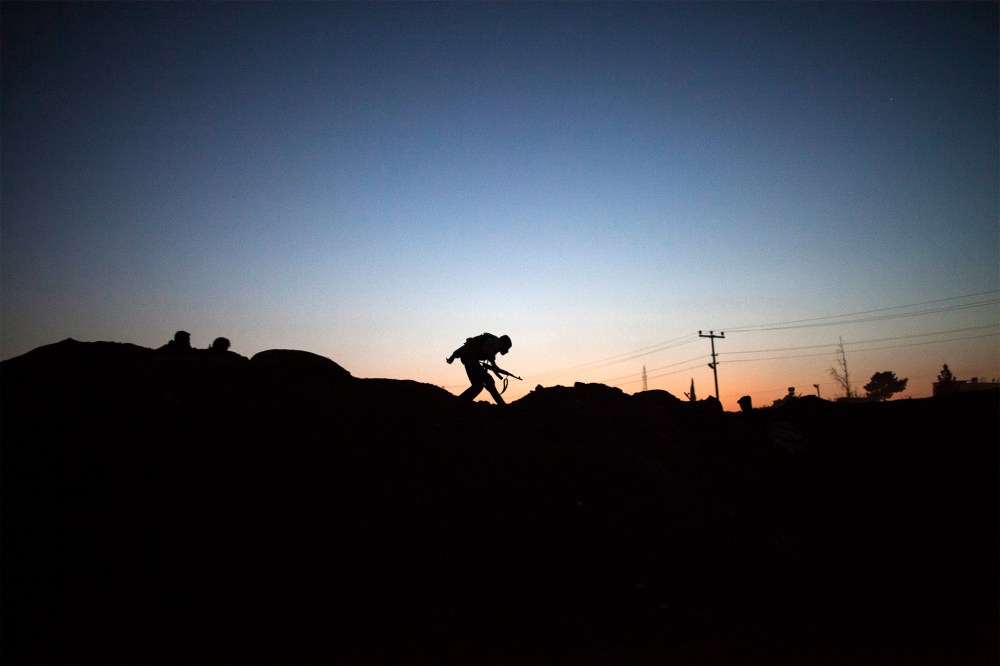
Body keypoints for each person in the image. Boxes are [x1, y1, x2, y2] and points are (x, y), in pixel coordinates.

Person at [446, 333, 513, 405]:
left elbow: (467, 346)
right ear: (503, 344)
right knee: (482, 384)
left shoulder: (492, 341)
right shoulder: (496, 342)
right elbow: (487, 349)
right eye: (507, 348)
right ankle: (459, 403)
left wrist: (453, 356)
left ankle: (460, 402)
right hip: (470, 360)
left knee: (481, 384)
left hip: (469, 360)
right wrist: (494, 365)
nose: (507, 351)